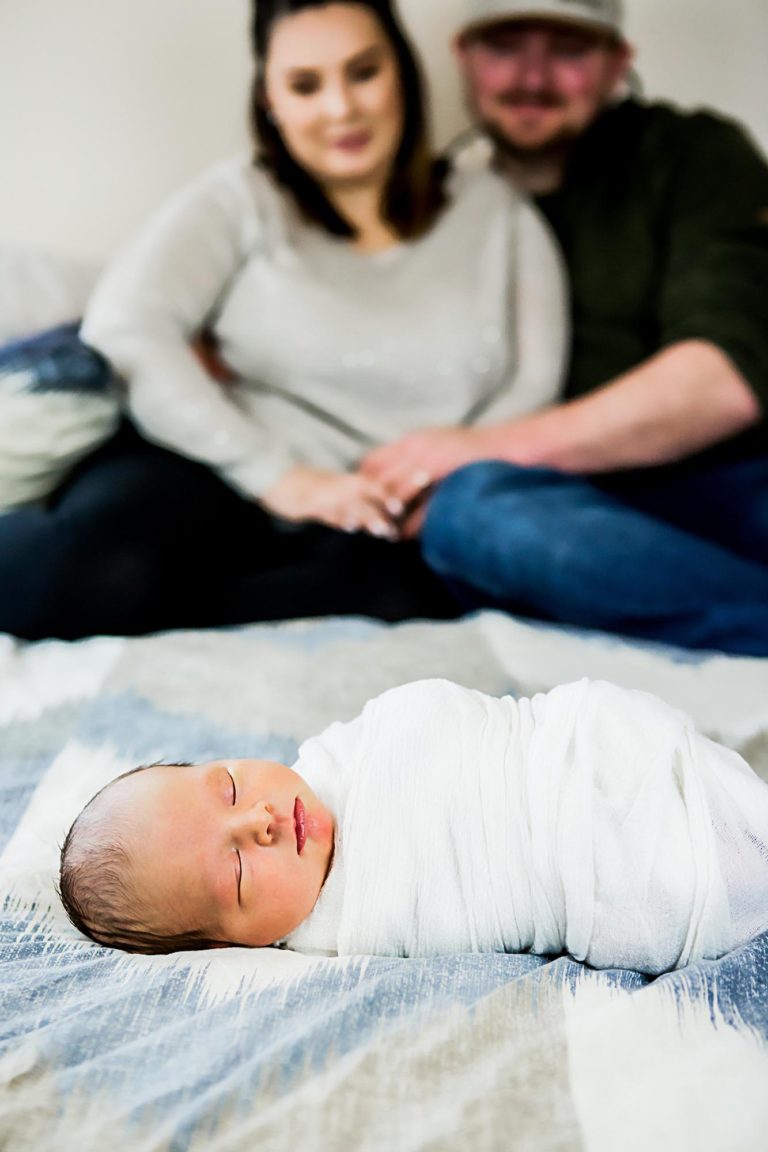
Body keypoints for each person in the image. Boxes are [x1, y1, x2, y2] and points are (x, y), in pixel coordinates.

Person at [0, 0, 567, 641]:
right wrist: (280, 477)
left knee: (402, 606)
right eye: (305, 85)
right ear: (271, 99)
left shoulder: (496, 214)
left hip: (382, 519)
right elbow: (125, 326)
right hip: (218, 470)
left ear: (403, 75)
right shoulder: (242, 196)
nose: (340, 109)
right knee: (90, 576)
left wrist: (442, 476)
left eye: (363, 73)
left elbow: (535, 381)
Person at [359, 0, 768, 656]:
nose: (532, 76)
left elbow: (728, 379)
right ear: (463, 55)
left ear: (618, 63)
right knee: (472, 516)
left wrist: (481, 445)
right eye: (505, 47)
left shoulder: (694, 154)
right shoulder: (428, 202)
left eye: (569, 50)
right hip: (553, 513)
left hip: (725, 480)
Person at [59, 676, 768, 974]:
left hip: (591, 743)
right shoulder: (349, 930)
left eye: (230, 786)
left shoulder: (335, 756)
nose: (261, 819)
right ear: (234, 941)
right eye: (239, 869)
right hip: (614, 863)